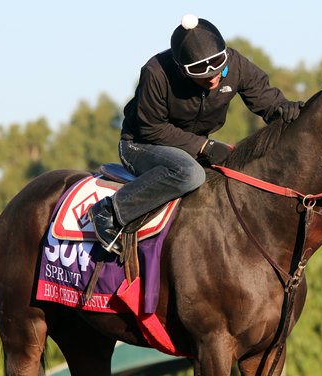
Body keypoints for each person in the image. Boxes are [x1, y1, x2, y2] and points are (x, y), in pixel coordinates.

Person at [88, 14, 304, 253]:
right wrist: (204, 147)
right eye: (200, 70)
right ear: (181, 69)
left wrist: (289, 110)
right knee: (189, 173)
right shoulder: (156, 73)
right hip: (141, 144)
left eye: (217, 67)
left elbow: (268, 101)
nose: (212, 76)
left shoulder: (236, 64)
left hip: (189, 148)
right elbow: (151, 128)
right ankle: (110, 211)